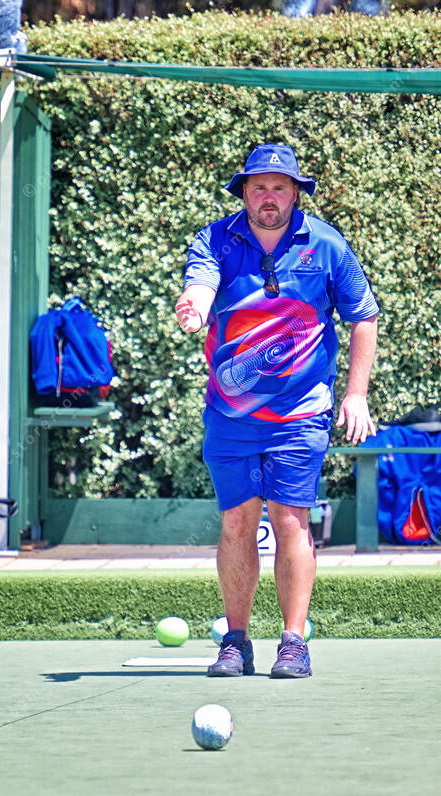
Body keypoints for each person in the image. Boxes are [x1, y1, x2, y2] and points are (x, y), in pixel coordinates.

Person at [175, 143, 379, 678]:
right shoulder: (215, 239)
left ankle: (293, 643)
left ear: (295, 194)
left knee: (291, 520)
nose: (269, 197)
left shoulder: (328, 245)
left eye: (279, 187)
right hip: (231, 416)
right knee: (237, 523)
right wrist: (195, 306)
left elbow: (363, 316)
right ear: (244, 192)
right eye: (259, 187)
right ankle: (235, 642)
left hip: (300, 413)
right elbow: (201, 283)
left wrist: (356, 394)